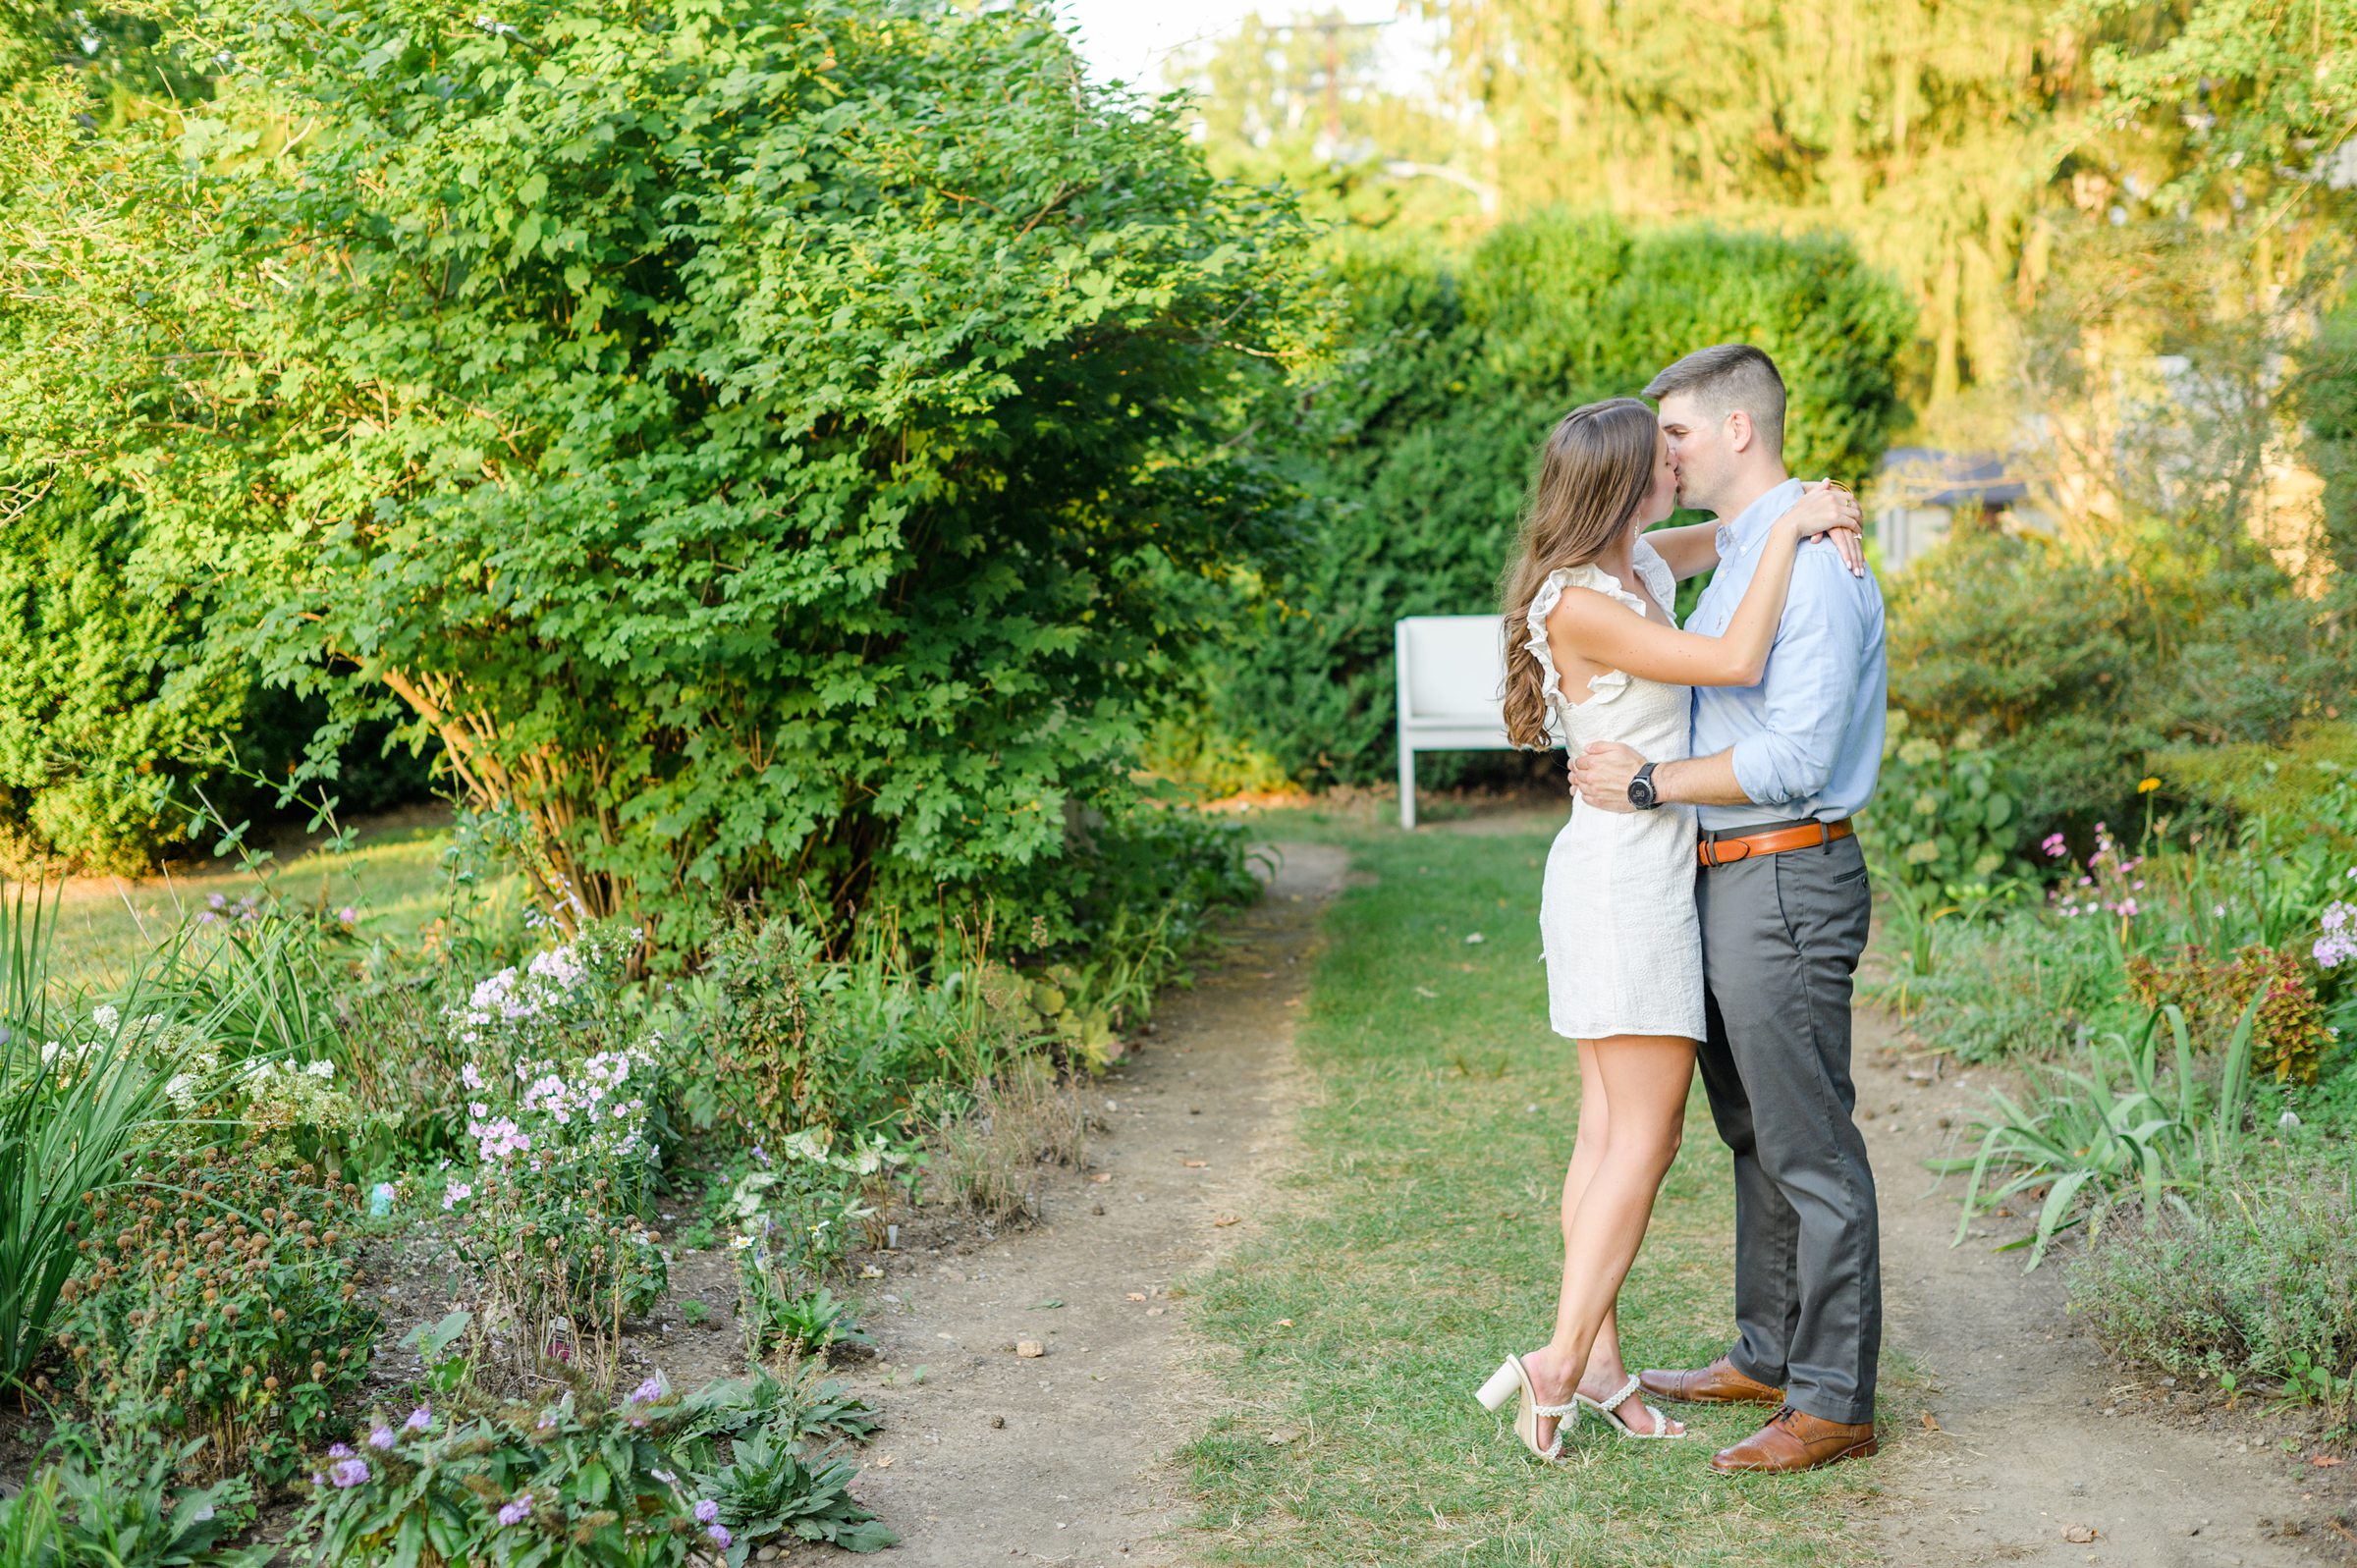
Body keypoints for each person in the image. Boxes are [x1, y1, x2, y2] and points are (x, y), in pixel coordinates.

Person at [1472, 391, 1865, 1463]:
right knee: (1642, 1138)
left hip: (1625, 868)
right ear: (1626, 482)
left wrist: (1810, 505)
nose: (1677, 468)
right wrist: (1794, 528)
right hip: (1625, 880)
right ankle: (1559, 1361)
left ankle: (1595, 1362)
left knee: (1605, 1133)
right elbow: (1736, 660)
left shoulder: (1635, 560)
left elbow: (1724, 530)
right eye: (1663, 458)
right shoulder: (1588, 603)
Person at [1571, 345, 1890, 1476]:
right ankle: (1766, 1348)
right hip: (1723, 873)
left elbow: (1797, 752)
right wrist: (1812, 503)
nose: (1666, 453)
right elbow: (1625, 558)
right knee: (1753, 1130)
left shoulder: (1811, 562)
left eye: (1681, 436)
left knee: (1812, 1142)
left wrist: (1651, 785)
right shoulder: (1757, 542)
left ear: (1738, 432)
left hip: (1786, 870)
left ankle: (1834, 1398)